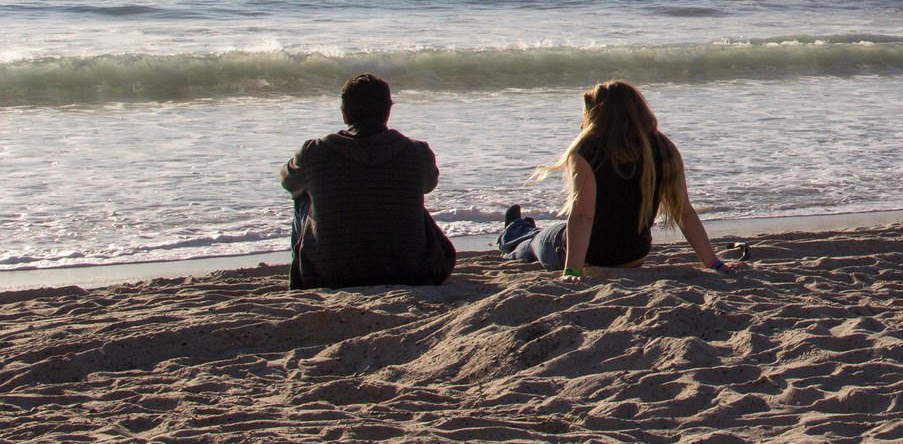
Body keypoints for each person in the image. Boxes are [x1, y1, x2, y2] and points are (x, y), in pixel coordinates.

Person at [497, 81, 736, 279]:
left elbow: (583, 216)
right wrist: (713, 263)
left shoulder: (587, 149)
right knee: (548, 232)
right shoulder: (664, 148)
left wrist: (572, 270)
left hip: (587, 256)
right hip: (633, 258)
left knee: (534, 244)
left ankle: (514, 233)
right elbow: (684, 212)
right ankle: (521, 228)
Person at [281, 75, 455, 289]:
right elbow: (429, 185)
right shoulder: (418, 152)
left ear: (344, 113)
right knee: (406, 197)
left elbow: (288, 183)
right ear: (388, 112)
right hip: (410, 272)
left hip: (328, 275)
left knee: (302, 197)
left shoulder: (313, 151)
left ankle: (303, 274)